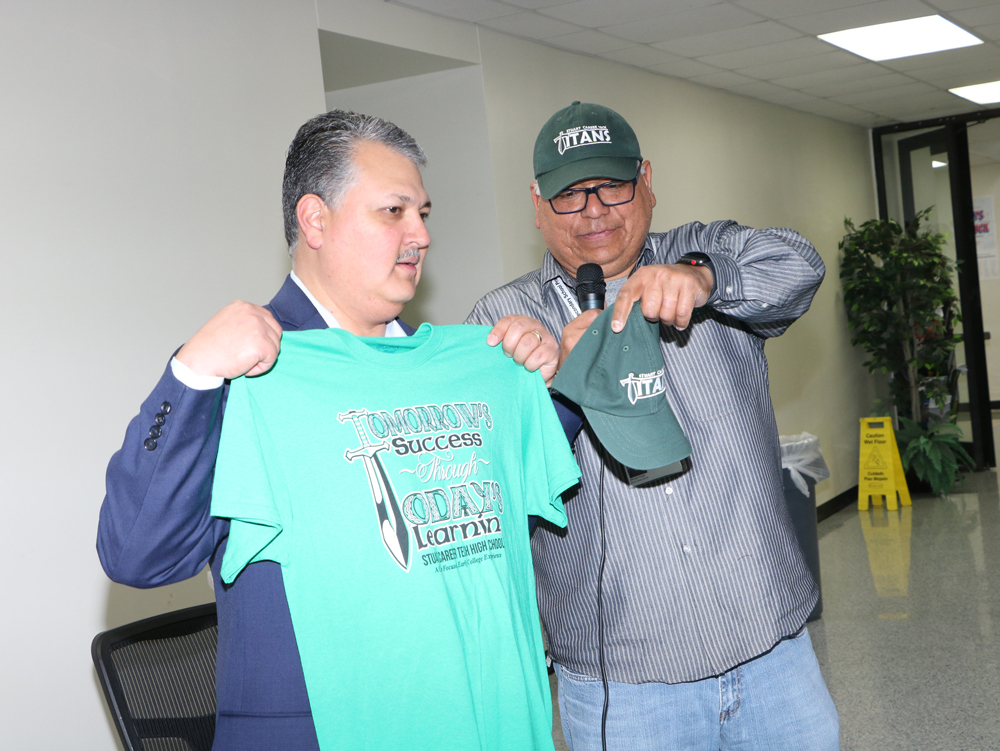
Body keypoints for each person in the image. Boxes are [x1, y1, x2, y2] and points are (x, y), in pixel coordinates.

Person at [97, 110, 563, 751]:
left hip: (470, 717)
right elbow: (138, 555)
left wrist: (537, 381)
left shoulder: (465, 369)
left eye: (424, 212)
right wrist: (192, 374)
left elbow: (497, 522)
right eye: (394, 211)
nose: (421, 234)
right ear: (315, 220)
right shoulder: (248, 374)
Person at [466, 101, 840, 750]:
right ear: (535, 203)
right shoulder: (503, 321)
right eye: (568, 195)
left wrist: (705, 279)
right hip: (623, 684)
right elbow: (491, 489)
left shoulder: (702, 252)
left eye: (611, 185)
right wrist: (554, 391)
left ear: (646, 180)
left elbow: (800, 264)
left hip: (771, 650)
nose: (594, 211)